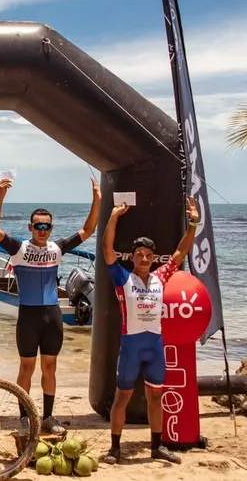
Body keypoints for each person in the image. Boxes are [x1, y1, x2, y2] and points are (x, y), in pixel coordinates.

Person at [0, 176, 100, 435]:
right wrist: (1, 196)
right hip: (28, 316)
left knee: (50, 367)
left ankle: (48, 417)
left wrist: (97, 198)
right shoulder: (18, 249)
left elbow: (89, 229)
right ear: (30, 227)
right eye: (38, 226)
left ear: (51, 227)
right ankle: (24, 418)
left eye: (46, 226)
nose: (42, 230)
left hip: (51, 316)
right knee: (26, 368)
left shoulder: (57, 248)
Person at [100, 197, 199, 465]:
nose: (144, 258)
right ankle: (114, 448)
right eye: (139, 254)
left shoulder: (161, 277)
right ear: (132, 257)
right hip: (131, 347)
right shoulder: (123, 278)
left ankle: (157, 446)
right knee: (122, 397)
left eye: (148, 255)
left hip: (154, 346)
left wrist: (193, 223)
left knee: (156, 396)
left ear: (153, 259)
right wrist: (113, 217)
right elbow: (107, 249)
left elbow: (181, 252)